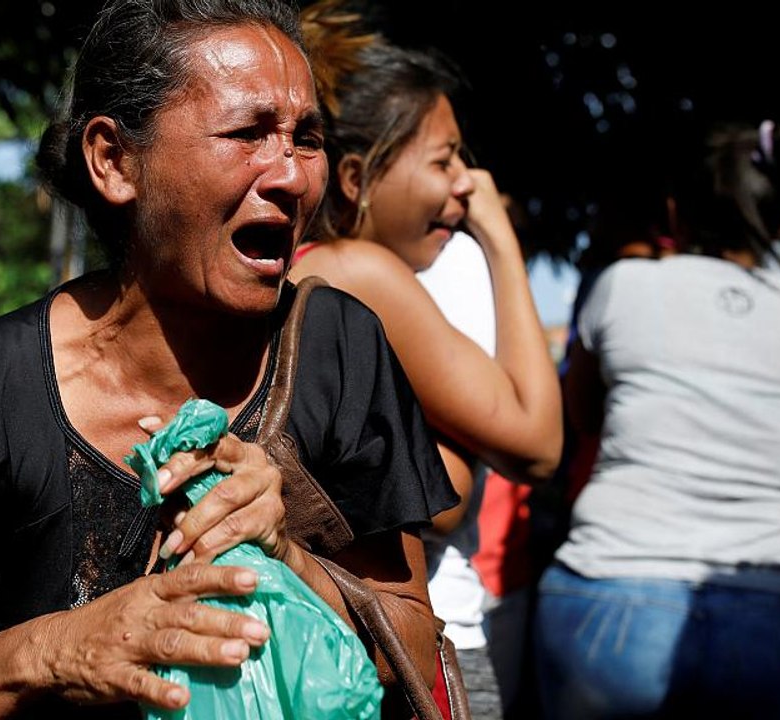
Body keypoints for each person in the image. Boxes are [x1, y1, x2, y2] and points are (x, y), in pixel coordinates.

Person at [0, 1, 457, 717]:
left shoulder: (338, 347)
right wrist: (59, 650)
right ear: (114, 162)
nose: (293, 177)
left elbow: (411, 643)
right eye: (247, 133)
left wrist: (287, 555)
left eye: (306, 139)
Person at [534, 120, 780, 719]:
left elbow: (582, 416)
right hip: (769, 614)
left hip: (607, 597)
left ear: (674, 209)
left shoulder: (620, 286)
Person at [291, 11, 563, 719]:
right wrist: (501, 241)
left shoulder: (294, 270)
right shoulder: (365, 273)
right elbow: (535, 444)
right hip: (402, 644)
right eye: (444, 160)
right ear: (356, 177)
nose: (464, 187)